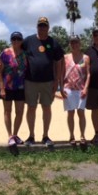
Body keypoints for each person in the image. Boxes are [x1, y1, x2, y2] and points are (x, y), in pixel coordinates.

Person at [23, 17, 65, 147]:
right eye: (40, 25)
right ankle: (31, 136)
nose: (42, 28)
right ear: (37, 27)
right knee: (31, 107)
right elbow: (16, 52)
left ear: (48, 27)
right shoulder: (28, 41)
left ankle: (45, 136)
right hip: (30, 81)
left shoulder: (53, 43)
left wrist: (57, 81)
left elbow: (59, 63)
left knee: (46, 107)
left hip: (48, 81)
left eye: (44, 25)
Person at [0, 31, 27, 155]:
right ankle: (9, 136)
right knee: (7, 111)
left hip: (20, 87)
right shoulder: (5, 53)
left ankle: (15, 134)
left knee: (19, 112)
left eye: (18, 39)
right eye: (13, 39)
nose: (16, 41)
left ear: (21, 41)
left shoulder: (25, 54)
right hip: (7, 87)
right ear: (11, 40)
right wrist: (2, 88)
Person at [61, 35, 90, 149]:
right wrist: (61, 87)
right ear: (70, 44)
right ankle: (72, 136)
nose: (74, 45)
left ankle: (82, 135)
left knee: (81, 113)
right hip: (68, 89)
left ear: (80, 43)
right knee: (70, 113)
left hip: (81, 89)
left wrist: (86, 88)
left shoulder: (86, 58)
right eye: (72, 43)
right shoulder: (65, 57)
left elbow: (88, 74)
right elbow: (61, 73)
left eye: (76, 42)